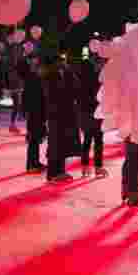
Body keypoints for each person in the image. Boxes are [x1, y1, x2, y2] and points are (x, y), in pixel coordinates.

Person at [40, 54, 80, 183]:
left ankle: (60, 171)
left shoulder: (63, 74)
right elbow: (56, 93)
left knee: (62, 143)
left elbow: (75, 86)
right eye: (61, 61)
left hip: (63, 113)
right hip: (55, 113)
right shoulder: (49, 76)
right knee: (55, 143)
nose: (63, 63)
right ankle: (53, 173)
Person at [75, 59, 108, 178]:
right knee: (98, 141)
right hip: (96, 113)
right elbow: (101, 96)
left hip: (84, 114)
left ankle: (85, 167)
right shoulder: (96, 80)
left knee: (87, 140)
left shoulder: (78, 81)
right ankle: (98, 167)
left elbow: (77, 99)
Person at [20, 57, 47, 173]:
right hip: (35, 112)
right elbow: (31, 96)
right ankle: (32, 164)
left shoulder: (34, 78)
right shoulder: (33, 78)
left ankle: (34, 162)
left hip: (35, 112)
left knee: (34, 139)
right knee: (33, 139)